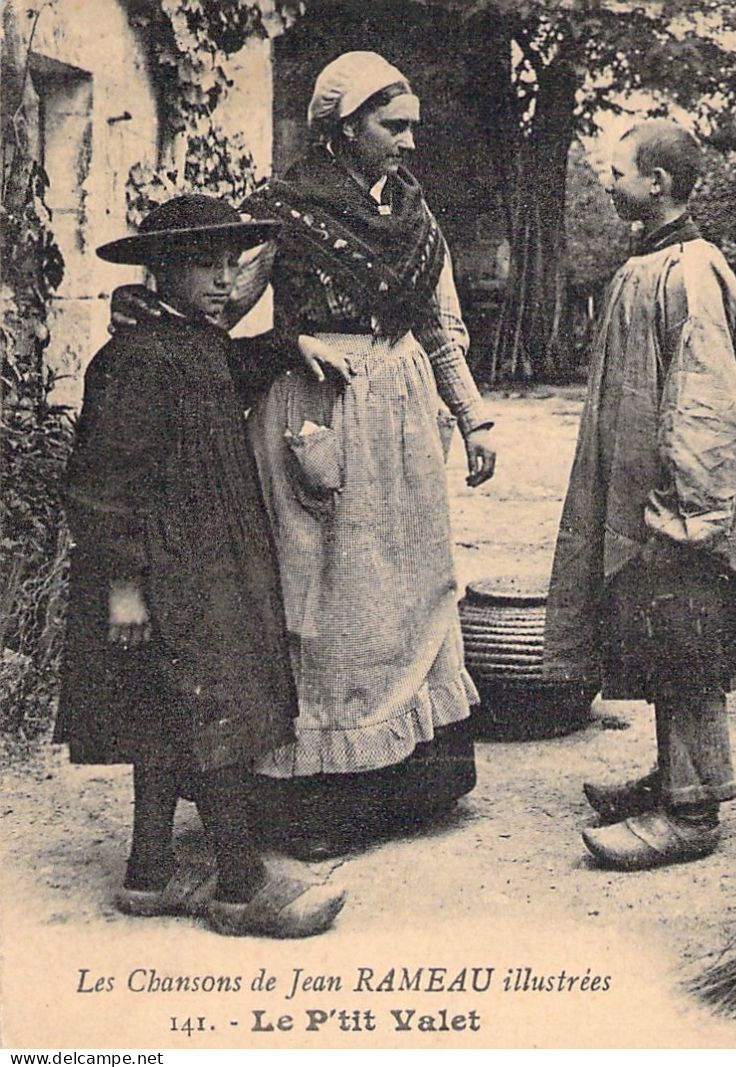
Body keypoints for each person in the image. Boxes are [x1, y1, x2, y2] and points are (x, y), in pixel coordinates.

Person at [201, 51, 494, 860]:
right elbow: (221, 306)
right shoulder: (281, 211)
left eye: (411, 128)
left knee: (413, 591)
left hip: (402, 419)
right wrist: (289, 337)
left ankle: (412, 785)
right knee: (325, 604)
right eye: (391, 126)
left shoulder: (414, 213)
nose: (407, 142)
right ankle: (319, 802)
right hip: (319, 419)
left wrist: (473, 421)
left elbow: (438, 329)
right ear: (342, 126)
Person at [58, 194, 347, 937]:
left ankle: (148, 872)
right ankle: (240, 885)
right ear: (160, 270)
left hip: (210, 558)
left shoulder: (192, 340)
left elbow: (228, 364)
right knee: (218, 712)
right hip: (162, 569)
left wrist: (288, 345)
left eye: (231, 263)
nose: (224, 280)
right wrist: (124, 586)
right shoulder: (130, 361)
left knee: (165, 713)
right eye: (203, 265)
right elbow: (103, 483)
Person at [542, 120, 736, 870]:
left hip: (681, 504)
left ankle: (693, 808)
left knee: (686, 627)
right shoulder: (649, 263)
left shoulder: (691, 272)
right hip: (644, 490)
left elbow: (706, 401)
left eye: (618, 172)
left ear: (659, 184)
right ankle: (668, 774)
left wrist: (692, 512)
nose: (607, 183)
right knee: (651, 623)